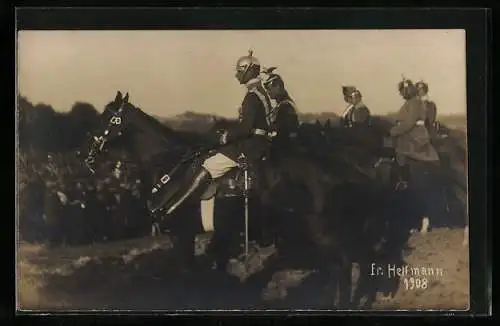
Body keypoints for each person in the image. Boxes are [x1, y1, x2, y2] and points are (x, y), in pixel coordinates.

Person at [153, 50, 273, 215]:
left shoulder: (252, 96)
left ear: (250, 70)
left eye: (239, 71)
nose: (237, 75)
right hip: (258, 141)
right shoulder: (260, 92)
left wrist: (225, 137)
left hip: (251, 145)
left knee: (209, 164)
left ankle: (171, 209)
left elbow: (246, 128)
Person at [388, 78, 440, 190]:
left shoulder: (414, 102)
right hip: (411, 131)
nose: (401, 94)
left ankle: (404, 180)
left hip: (416, 134)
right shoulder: (410, 102)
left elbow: (409, 123)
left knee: (400, 147)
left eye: (403, 91)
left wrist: (394, 131)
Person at [262, 67, 300, 157]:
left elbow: (283, 131)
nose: (268, 92)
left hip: (284, 152)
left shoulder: (286, 106)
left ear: (278, 86)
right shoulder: (282, 105)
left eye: (269, 88)